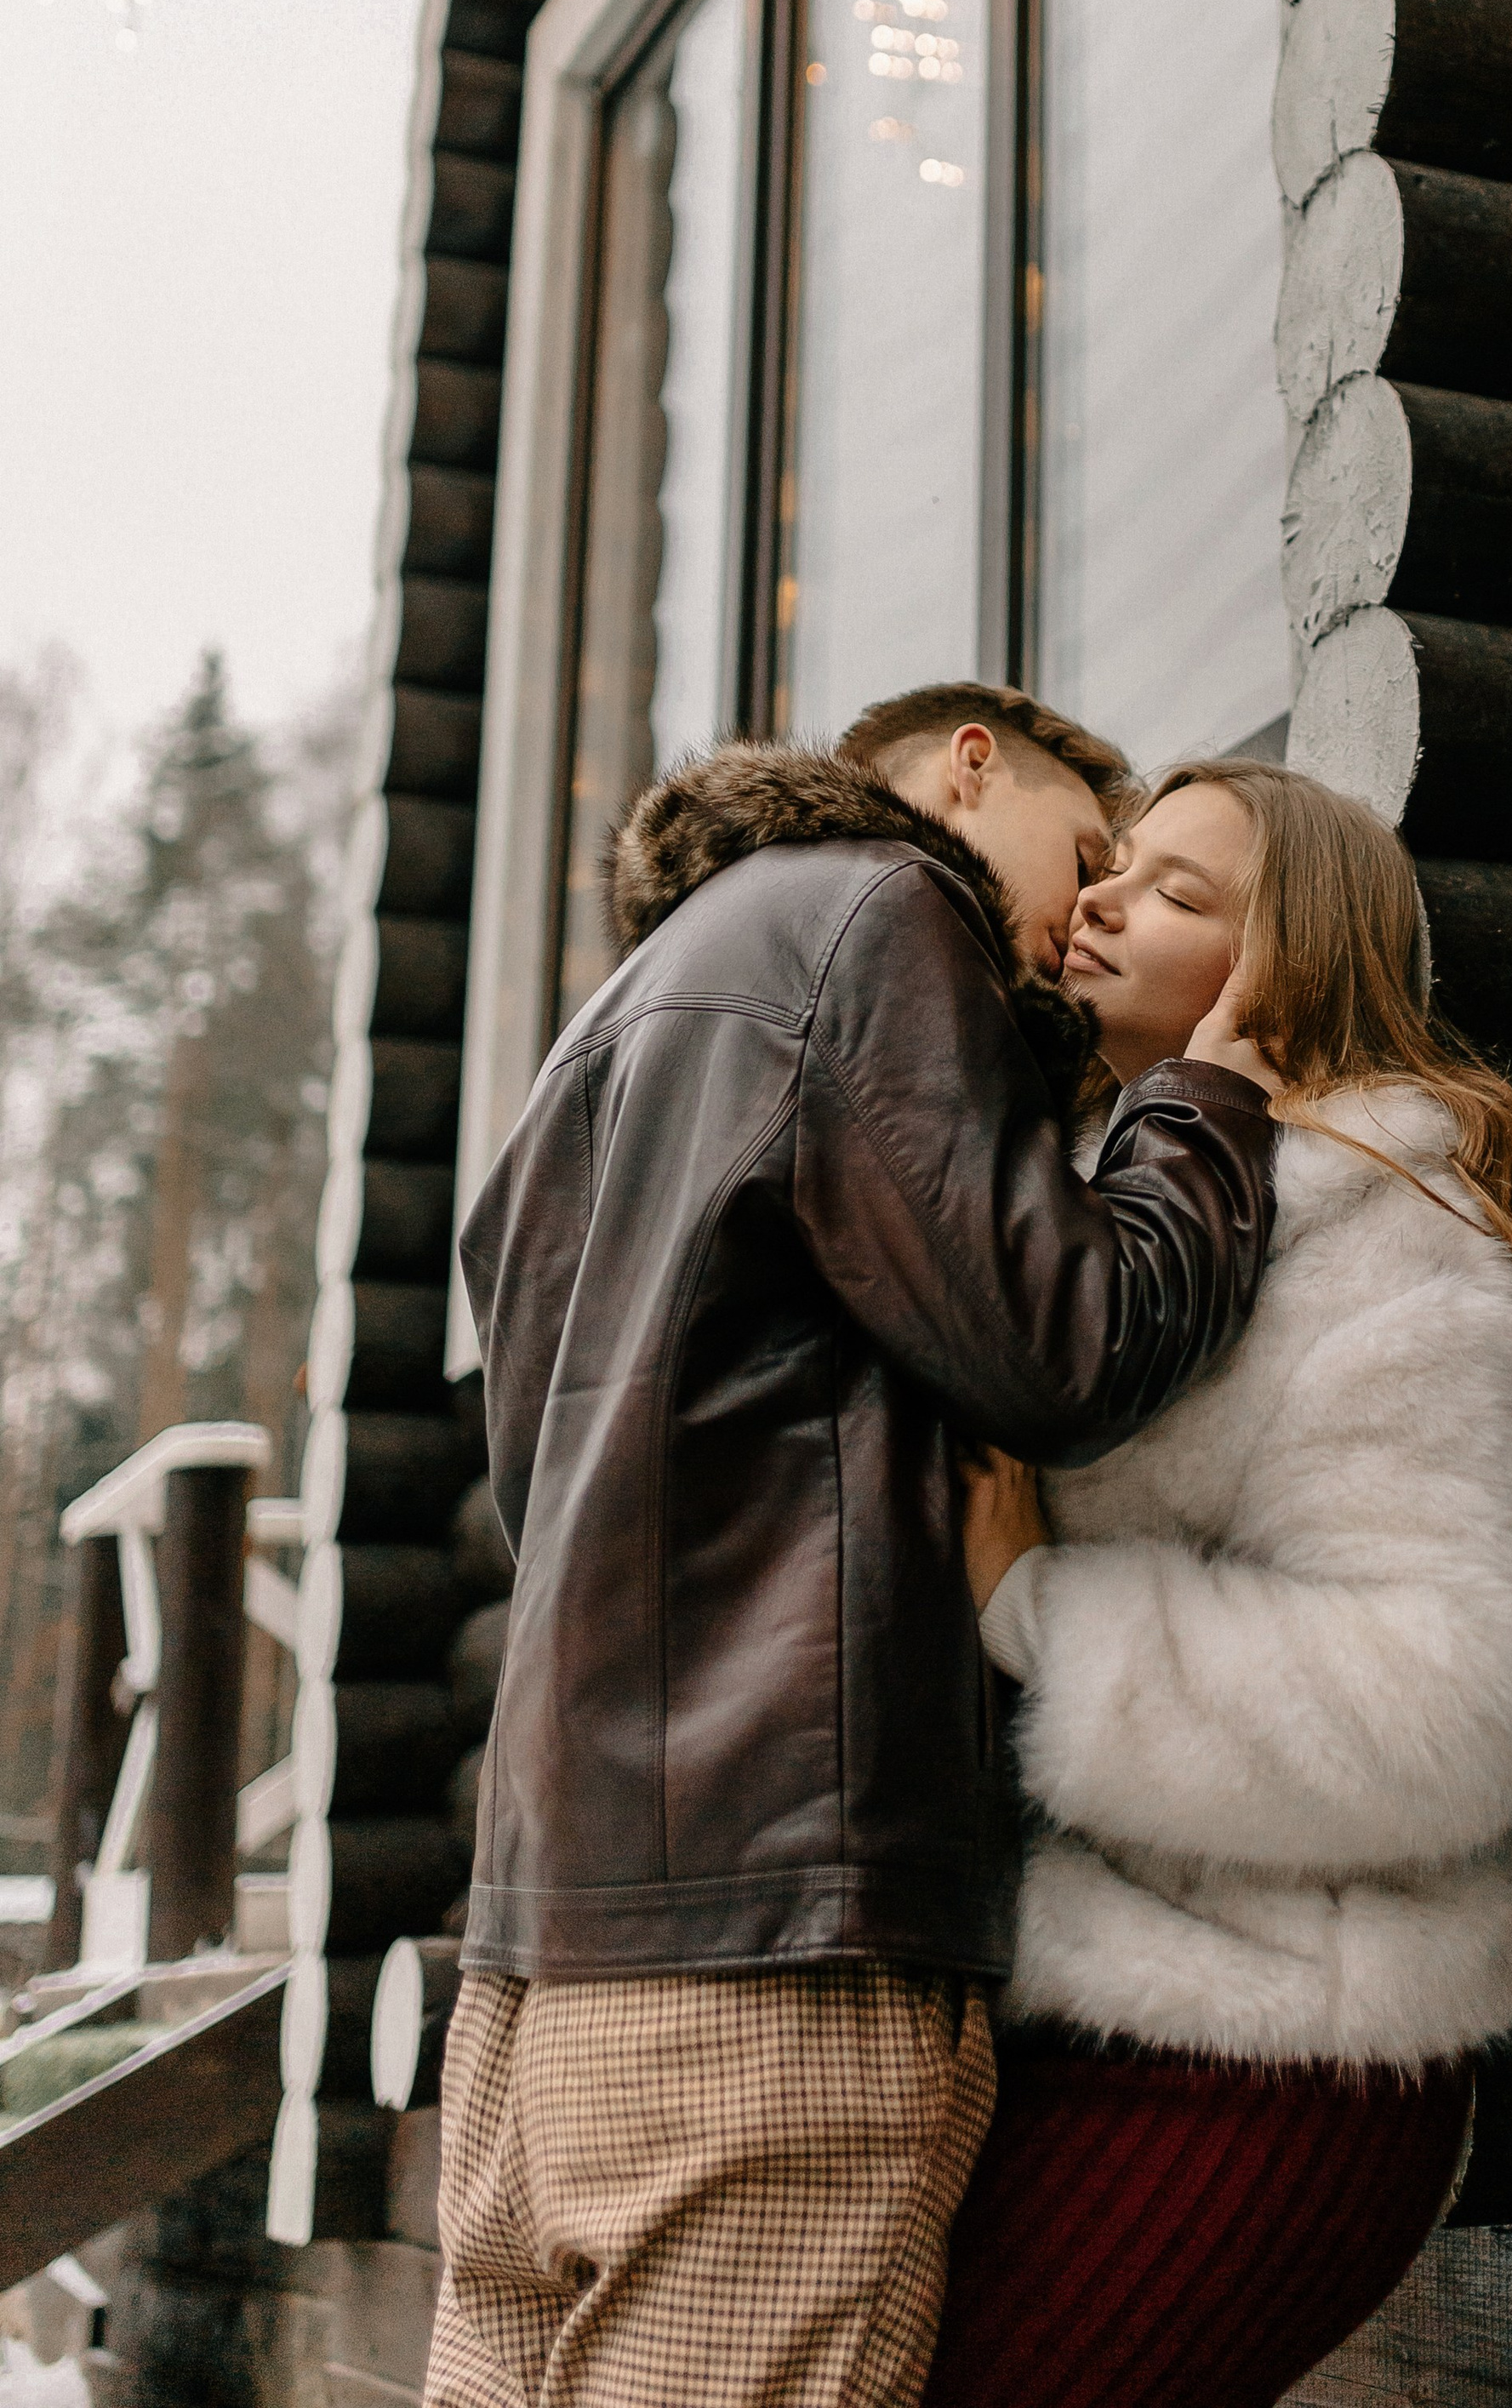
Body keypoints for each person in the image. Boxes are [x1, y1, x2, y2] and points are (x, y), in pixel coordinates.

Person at [425, 683, 1280, 2408]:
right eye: (1090, 851)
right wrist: (1202, 1102)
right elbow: (1067, 1345)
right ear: (974, 768)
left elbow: (536, 1476)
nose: (1080, 921)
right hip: (774, 1935)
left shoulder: (619, 1011)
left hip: (543, 1951)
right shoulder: (887, 913)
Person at [929, 757, 1512, 2408]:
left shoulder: (1375, 1242)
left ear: (1290, 965)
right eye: (1114, 866)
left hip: (1279, 2056)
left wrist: (1035, 1615)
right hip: (1083, 2025)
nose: (1098, 898)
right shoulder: (1098, 1196)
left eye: (1175, 893)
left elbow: (1459, 1699)